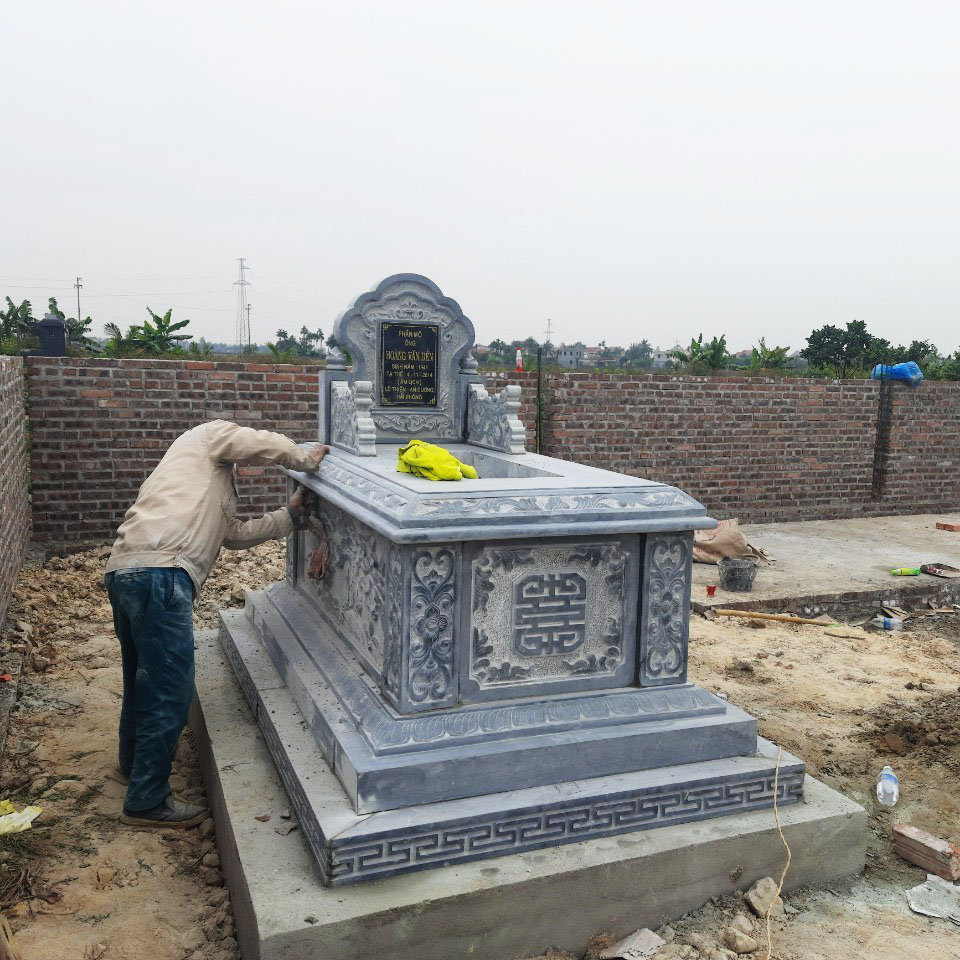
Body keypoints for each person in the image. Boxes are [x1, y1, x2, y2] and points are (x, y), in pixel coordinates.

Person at [104, 419, 327, 828]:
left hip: (127, 570)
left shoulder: (192, 480)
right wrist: (304, 459)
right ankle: (147, 800)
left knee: (142, 676)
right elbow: (255, 442)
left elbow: (234, 535)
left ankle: (133, 764)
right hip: (162, 574)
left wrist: (289, 517)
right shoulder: (208, 435)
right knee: (169, 688)